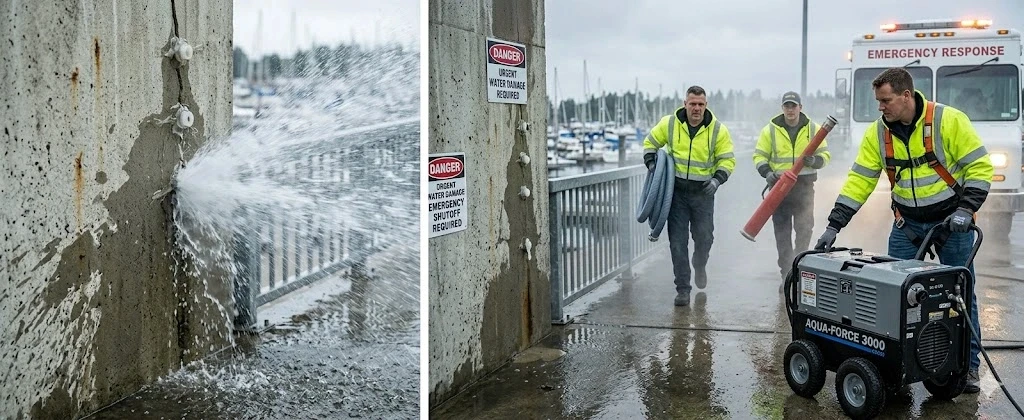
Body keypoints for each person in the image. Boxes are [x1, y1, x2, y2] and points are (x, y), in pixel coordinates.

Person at [813, 67, 993, 393]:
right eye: (878, 101)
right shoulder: (878, 134)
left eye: (886, 100)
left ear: (906, 95)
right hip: (907, 225)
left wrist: (967, 209)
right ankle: (898, 367)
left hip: (952, 223)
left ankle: (967, 368)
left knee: (960, 296)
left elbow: (979, 167)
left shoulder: (947, 121)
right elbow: (860, 181)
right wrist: (833, 224)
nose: (880, 107)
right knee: (894, 293)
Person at [643, 85, 736, 306]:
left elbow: (727, 159)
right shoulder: (670, 123)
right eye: (692, 103)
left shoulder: (717, 130)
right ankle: (683, 289)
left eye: (700, 104)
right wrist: (652, 163)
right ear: (685, 103)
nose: (696, 108)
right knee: (677, 243)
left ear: (706, 105)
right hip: (675, 195)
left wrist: (717, 179)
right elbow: (650, 143)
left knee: (705, 238)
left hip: (703, 193)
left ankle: (700, 263)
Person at [754, 91, 830, 281]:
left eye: (793, 106)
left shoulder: (813, 129)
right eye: (787, 106)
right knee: (782, 234)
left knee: (804, 230)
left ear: (800, 108)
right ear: (782, 108)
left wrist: (815, 161)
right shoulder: (770, 130)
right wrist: (767, 173)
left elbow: (826, 156)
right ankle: (786, 275)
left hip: (804, 188)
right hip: (779, 189)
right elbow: (759, 156)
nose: (790, 109)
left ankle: (799, 270)